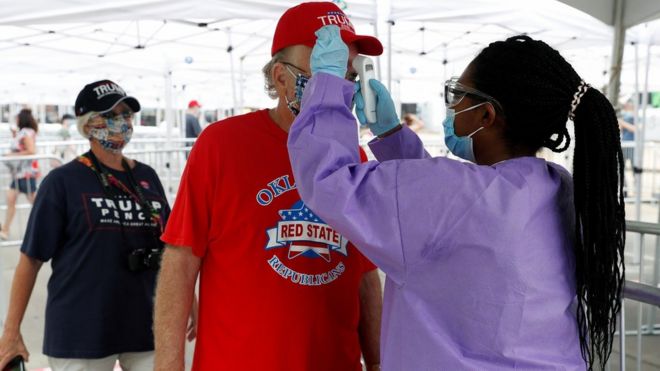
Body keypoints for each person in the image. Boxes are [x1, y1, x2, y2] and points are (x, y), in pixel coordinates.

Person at [288, 29, 625, 370]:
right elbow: (442, 212)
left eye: (457, 95)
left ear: (486, 116)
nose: (451, 107)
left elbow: (329, 181)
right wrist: (391, 136)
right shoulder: (558, 188)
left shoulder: (457, 195)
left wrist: (328, 91)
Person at [154, 3, 383, 371]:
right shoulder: (222, 145)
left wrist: (376, 361)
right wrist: (168, 364)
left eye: (347, 74)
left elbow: (365, 271)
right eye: (325, 70)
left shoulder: (353, 155)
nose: (338, 86)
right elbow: (180, 259)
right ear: (280, 78)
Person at [0, 80, 183, 371]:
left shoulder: (148, 177)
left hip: (145, 325)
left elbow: (172, 248)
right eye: (112, 115)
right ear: (88, 125)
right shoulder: (62, 182)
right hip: (80, 332)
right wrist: (11, 332)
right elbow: (31, 258)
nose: (122, 122)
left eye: (127, 114)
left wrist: (191, 303)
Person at [1, 109, 39, 240]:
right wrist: (14, 136)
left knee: (38, 205)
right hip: (18, 174)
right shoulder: (24, 132)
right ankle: (5, 230)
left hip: (26, 174)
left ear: (21, 119)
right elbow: (22, 147)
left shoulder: (26, 133)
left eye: (17, 118)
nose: (15, 120)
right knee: (10, 199)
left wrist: (11, 155)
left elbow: (31, 150)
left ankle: (54, 225)